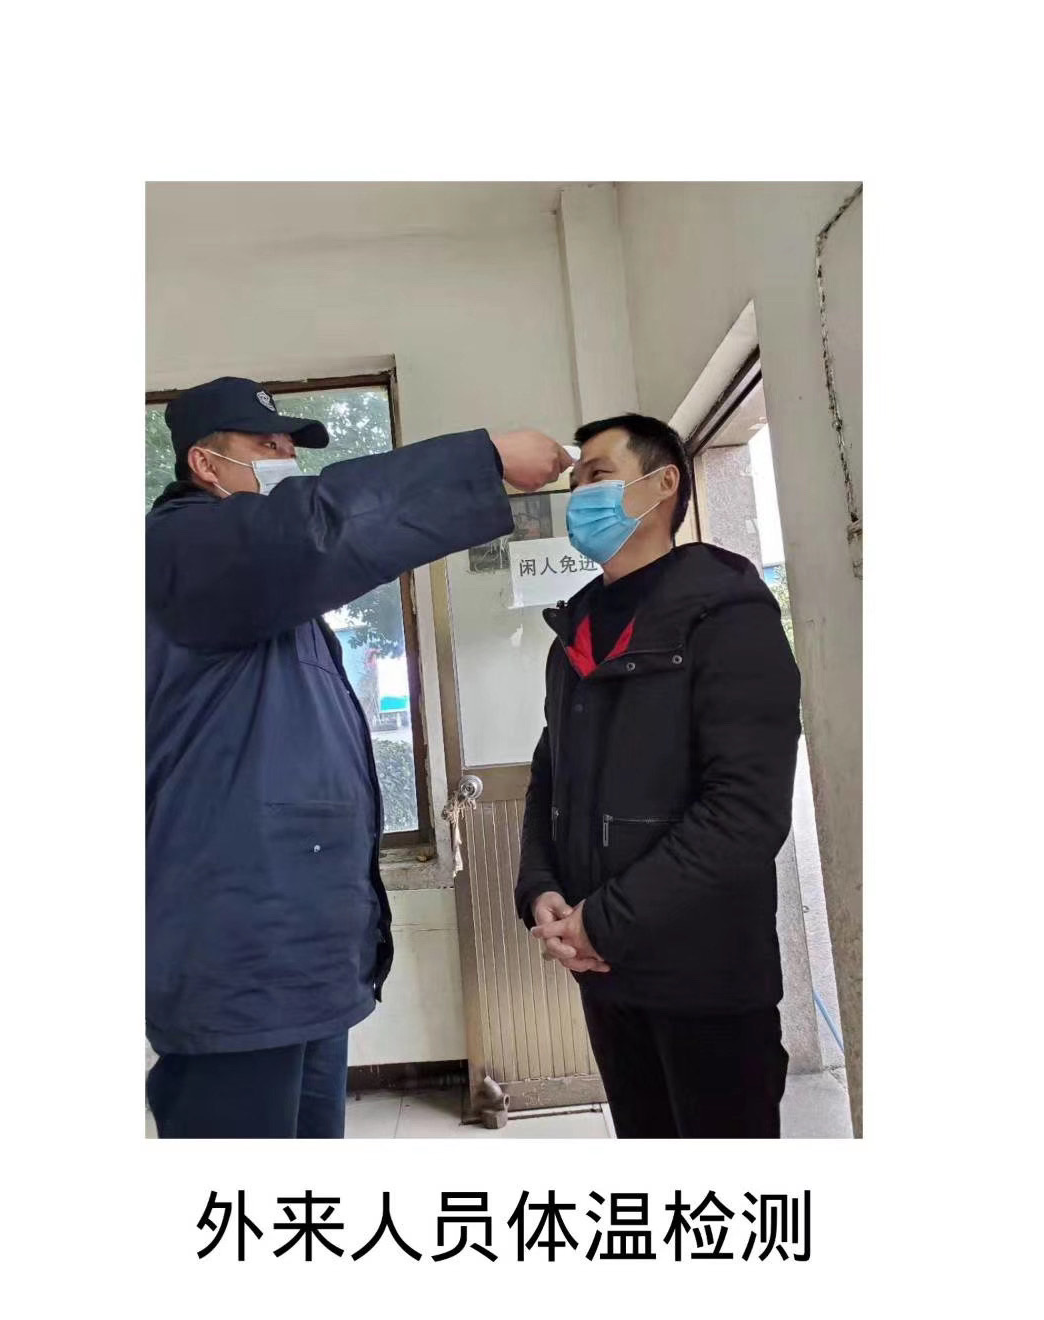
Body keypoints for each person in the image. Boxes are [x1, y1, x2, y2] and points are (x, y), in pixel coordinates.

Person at [146, 376, 571, 1138]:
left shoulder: (269, 598)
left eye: (289, 445)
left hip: (302, 963)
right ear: (204, 465)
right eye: (265, 445)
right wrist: (483, 461)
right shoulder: (186, 552)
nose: (285, 459)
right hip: (237, 968)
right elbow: (319, 528)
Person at [514, 413, 801, 1138]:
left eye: (598, 476)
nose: (581, 497)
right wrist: (541, 888)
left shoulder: (727, 617)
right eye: (574, 484)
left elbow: (745, 813)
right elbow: (551, 775)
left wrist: (604, 922)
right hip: (607, 978)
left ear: (662, 483)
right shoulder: (574, 632)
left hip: (706, 979)